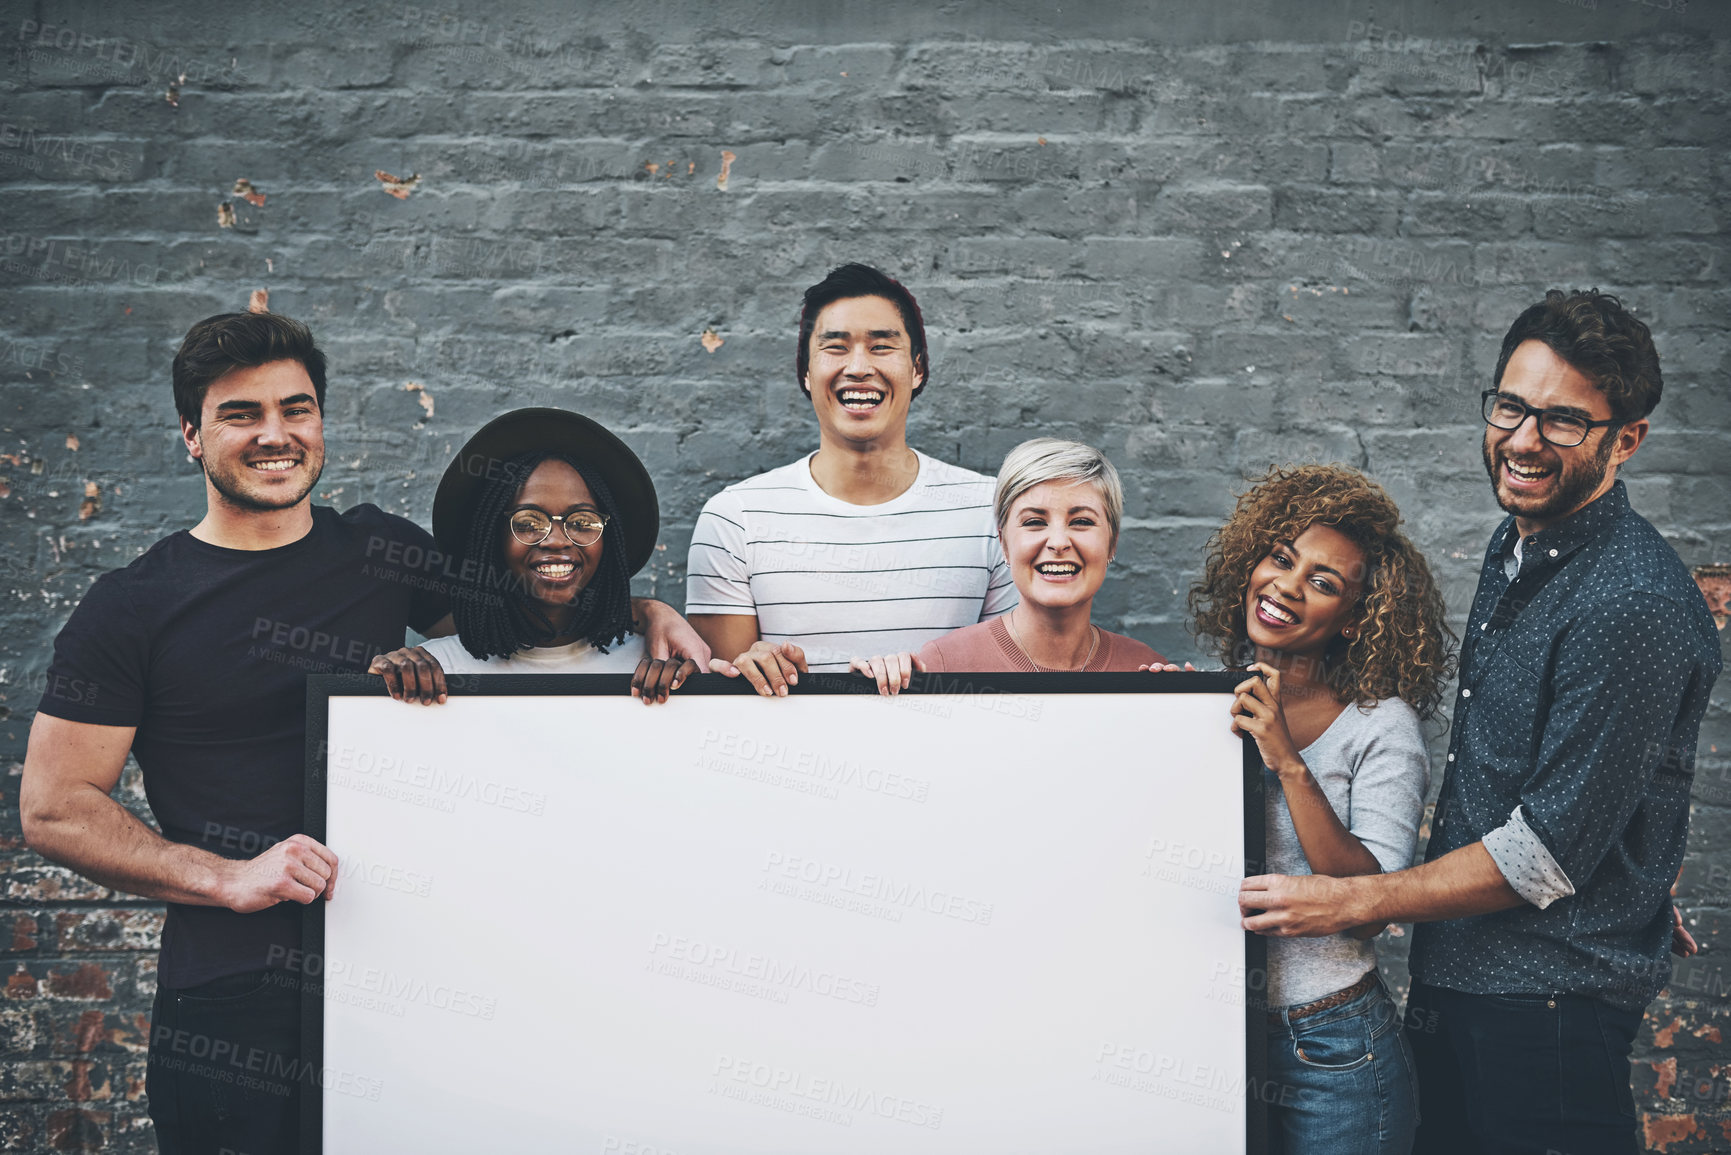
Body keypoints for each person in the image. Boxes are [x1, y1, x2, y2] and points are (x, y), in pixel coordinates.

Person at [17, 315, 704, 1155]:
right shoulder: (131, 604)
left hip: (405, 988)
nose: (275, 433)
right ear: (192, 436)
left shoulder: (383, 551)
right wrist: (229, 875)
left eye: (295, 408)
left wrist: (646, 611)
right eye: (241, 414)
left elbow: (533, 610)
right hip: (234, 1001)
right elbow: (54, 806)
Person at [1237, 291, 1722, 1155]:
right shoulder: (1517, 541)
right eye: (1511, 406)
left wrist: (1349, 900)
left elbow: (1546, 852)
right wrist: (1629, 856)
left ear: (1627, 439)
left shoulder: (1631, 600)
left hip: (1546, 1009)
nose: (1524, 439)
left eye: (1564, 421)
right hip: (1460, 983)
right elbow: (1572, 787)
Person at [1189, 464, 1453, 1154]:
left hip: (1332, 1046)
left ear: (1354, 619)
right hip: (1213, 1032)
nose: (1285, 585)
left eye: (1322, 581)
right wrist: (1163, 723)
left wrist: (1285, 758)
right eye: (1280, 557)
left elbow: (1372, 891)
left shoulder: (1379, 725)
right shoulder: (1210, 702)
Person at [685, 262, 1015, 694]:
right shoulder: (734, 520)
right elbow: (724, 703)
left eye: (881, 347)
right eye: (836, 347)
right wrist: (753, 668)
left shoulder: (995, 513)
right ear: (806, 372)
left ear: (917, 369)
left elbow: (1010, 685)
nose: (858, 367)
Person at [369, 407, 697, 698]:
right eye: (528, 523)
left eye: (582, 521)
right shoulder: (435, 670)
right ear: (491, 540)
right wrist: (381, 694)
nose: (556, 540)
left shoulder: (655, 664)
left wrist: (696, 695)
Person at [850, 437, 1164, 690]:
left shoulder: (1147, 671)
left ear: (1112, 542)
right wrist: (875, 695)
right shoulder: (942, 664)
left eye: (1081, 521)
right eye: (1034, 522)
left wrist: (1188, 714)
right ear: (1003, 543)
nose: (1058, 542)